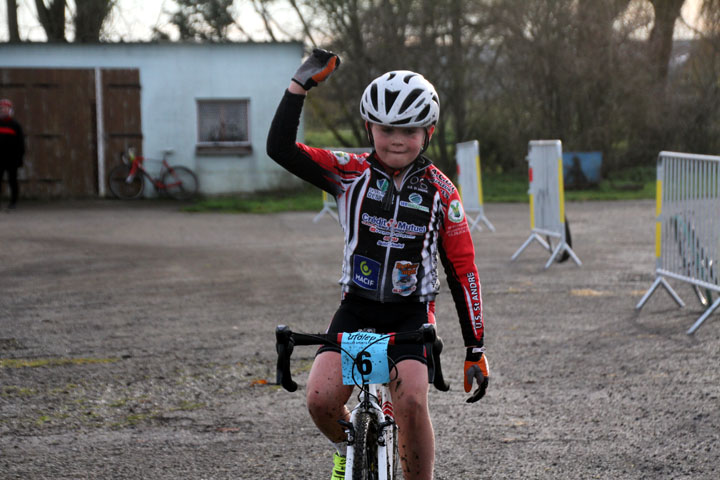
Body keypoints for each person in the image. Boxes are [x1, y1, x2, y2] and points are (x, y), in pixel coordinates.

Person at [267, 49, 489, 480]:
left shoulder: (443, 193)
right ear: (370, 127)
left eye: (410, 129)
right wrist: (299, 87)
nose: (397, 140)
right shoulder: (347, 173)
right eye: (386, 129)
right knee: (319, 399)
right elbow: (280, 149)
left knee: (409, 402)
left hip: (411, 314)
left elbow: (463, 271)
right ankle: (344, 449)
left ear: (428, 131)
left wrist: (475, 348)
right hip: (358, 308)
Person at [0, 99, 25, 210]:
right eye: (2, 108)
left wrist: (19, 159)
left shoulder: (15, 125)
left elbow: (21, 144)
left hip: (12, 159)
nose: (4, 110)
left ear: (10, 110)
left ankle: (13, 202)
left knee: (12, 180)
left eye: (6, 108)